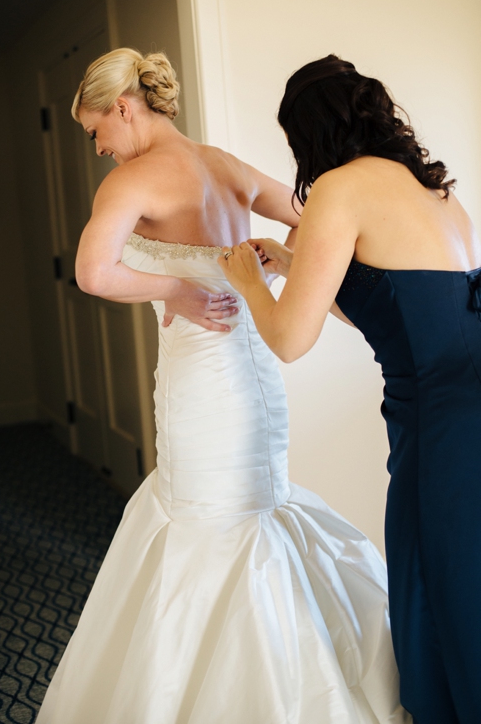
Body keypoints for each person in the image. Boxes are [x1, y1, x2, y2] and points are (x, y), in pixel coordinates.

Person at [35, 48, 408, 723]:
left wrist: (178, 286)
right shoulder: (228, 167)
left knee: (208, 516)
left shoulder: (131, 183)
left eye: (96, 132)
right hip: (259, 370)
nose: (98, 149)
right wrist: (285, 264)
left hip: (202, 382)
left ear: (123, 108)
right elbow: (311, 217)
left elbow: (92, 272)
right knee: (254, 508)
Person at [221, 54, 481, 723]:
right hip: (463, 404)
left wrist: (250, 281)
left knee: (442, 590)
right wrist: (294, 261)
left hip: (442, 431)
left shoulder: (339, 189)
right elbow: (395, 304)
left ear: (310, 134)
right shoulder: (436, 193)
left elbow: (288, 337)